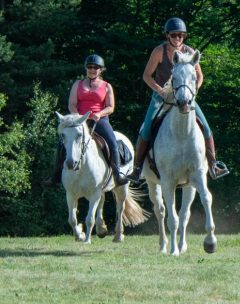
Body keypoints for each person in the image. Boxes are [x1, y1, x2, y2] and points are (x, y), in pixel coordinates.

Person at [125, 17, 229, 182]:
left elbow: (200, 76)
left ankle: (213, 165)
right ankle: (137, 169)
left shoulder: (190, 52)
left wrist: (193, 91)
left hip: (184, 97)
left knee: (207, 129)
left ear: (184, 36)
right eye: (174, 35)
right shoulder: (159, 51)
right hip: (161, 97)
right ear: (168, 36)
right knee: (145, 130)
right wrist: (160, 91)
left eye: (180, 35)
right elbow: (146, 75)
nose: (177, 38)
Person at [42, 54, 129, 187]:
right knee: (61, 143)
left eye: (95, 67)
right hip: (79, 120)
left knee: (112, 142)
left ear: (101, 70)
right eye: (89, 67)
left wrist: (99, 114)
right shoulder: (78, 84)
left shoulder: (106, 86)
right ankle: (56, 176)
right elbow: (71, 104)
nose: (92, 69)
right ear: (86, 68)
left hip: (98, 120)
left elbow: (111, 107)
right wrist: (77, 117)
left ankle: (117, 175)